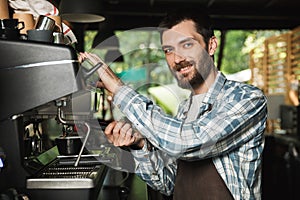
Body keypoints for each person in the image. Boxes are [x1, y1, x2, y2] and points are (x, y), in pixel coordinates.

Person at [81, 10, 267, 200]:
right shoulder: (184, 110)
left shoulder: (247, 99)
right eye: (168, 50)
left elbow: (187, 142)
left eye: (187, 44)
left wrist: (119, 89)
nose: (177, 59)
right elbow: (168, 183)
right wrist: (140, 145)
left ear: (211, 45)